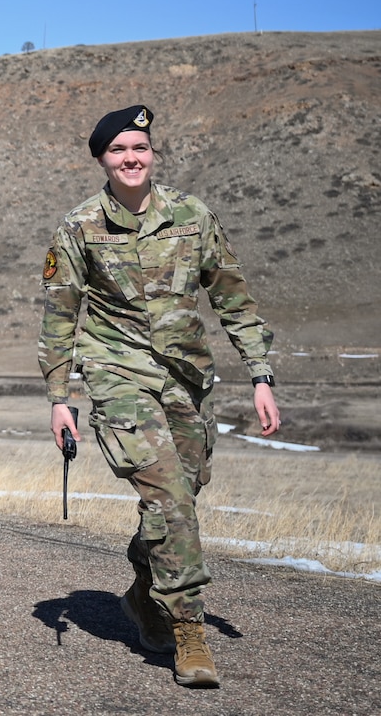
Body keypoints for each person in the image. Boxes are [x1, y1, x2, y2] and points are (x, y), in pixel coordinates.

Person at [39, 105, 280, 688]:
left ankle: (144, 593)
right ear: (102, 158)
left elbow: (233, 300)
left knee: (183, 496)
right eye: (118, 149)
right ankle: (187, 631)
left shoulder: (193, 216)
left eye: (139, 147)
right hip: (118, 376)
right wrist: (59, 397)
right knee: (170, 498)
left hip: (187, 377)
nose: (130, 158)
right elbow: (59, 317)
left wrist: (261, 375)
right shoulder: (80, 227)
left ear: (152, 153)